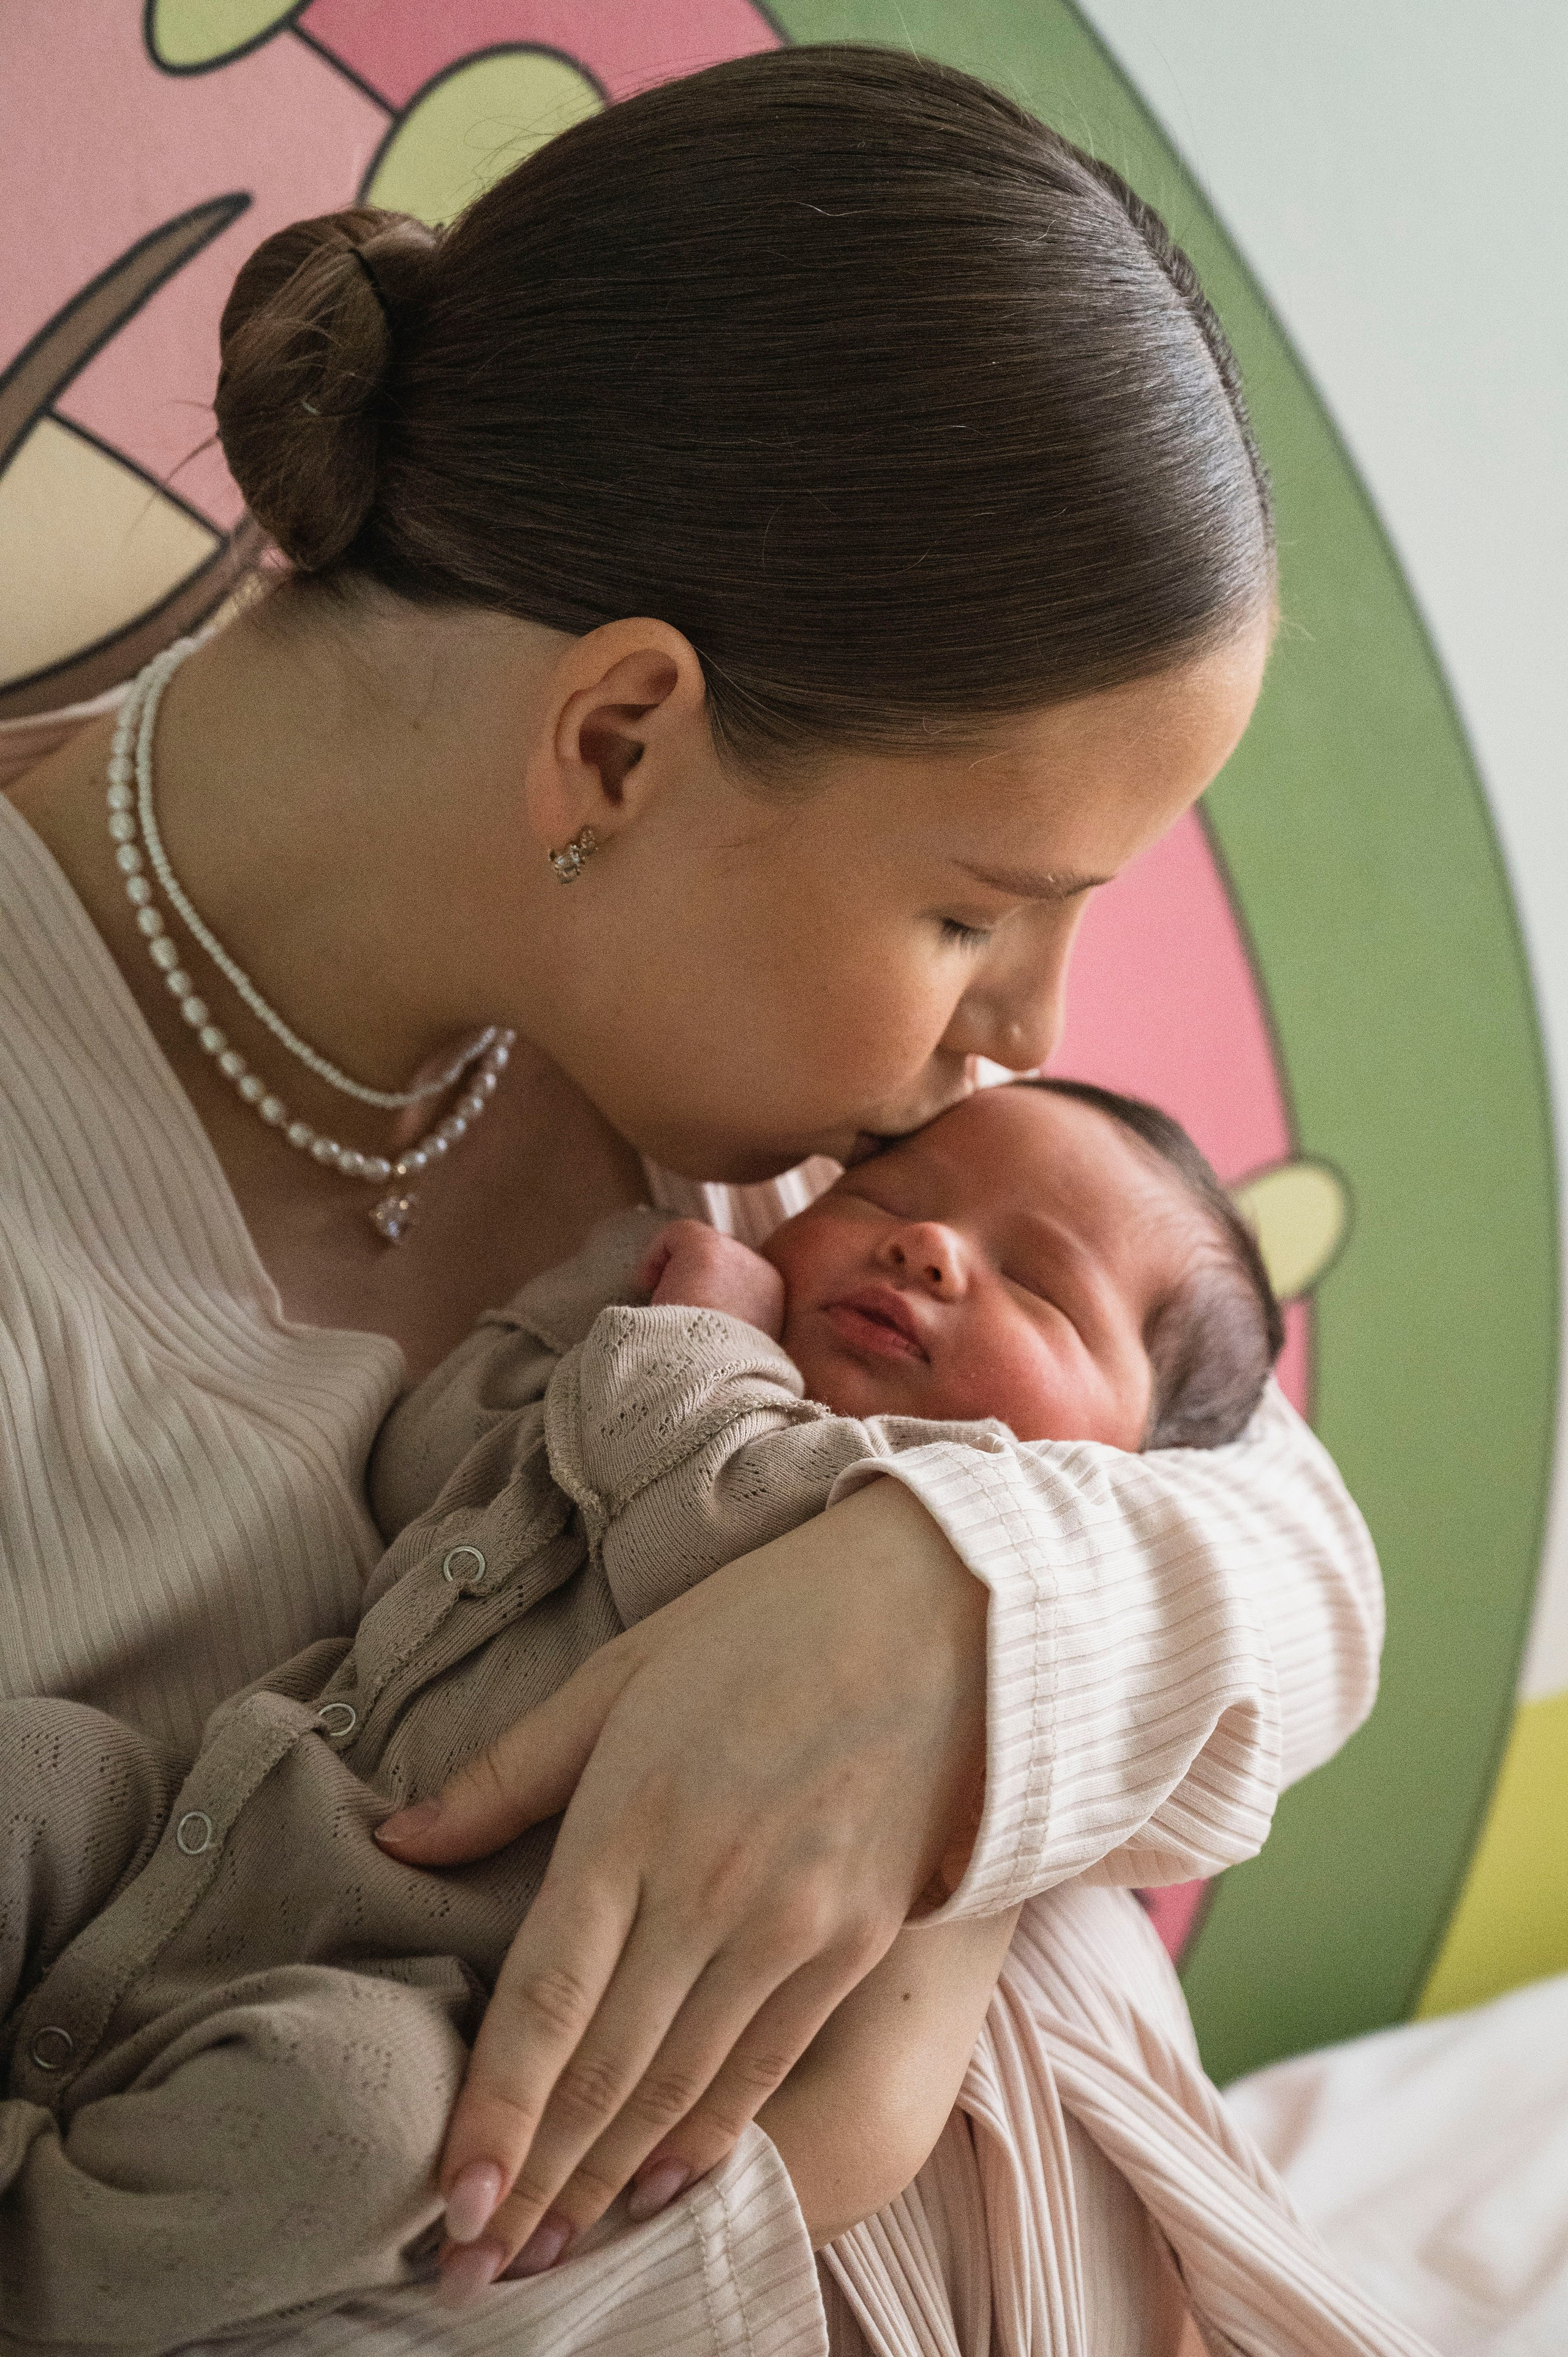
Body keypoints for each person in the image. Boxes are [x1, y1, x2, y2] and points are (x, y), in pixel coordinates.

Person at [0, 44, 1391, 2357]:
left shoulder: (747, 1106)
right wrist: (830, 2122)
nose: (1030, 1026)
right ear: (621, 739)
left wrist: (951, 1631)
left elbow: (1290, 1531)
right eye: (980, 911)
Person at [0, 1077, 1289, 2347]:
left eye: (1042, 1285)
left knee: (347, 2121)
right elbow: (417, 1466)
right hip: (221, 1803)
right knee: (38, 1772)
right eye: (888, 1195)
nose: (927, 1247)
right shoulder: (655, 1365)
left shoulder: (908, 1521)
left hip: (411, 1998)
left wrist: (703, 1329)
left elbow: (704, 1505)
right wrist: (570, 1324)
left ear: (1119, 1478)